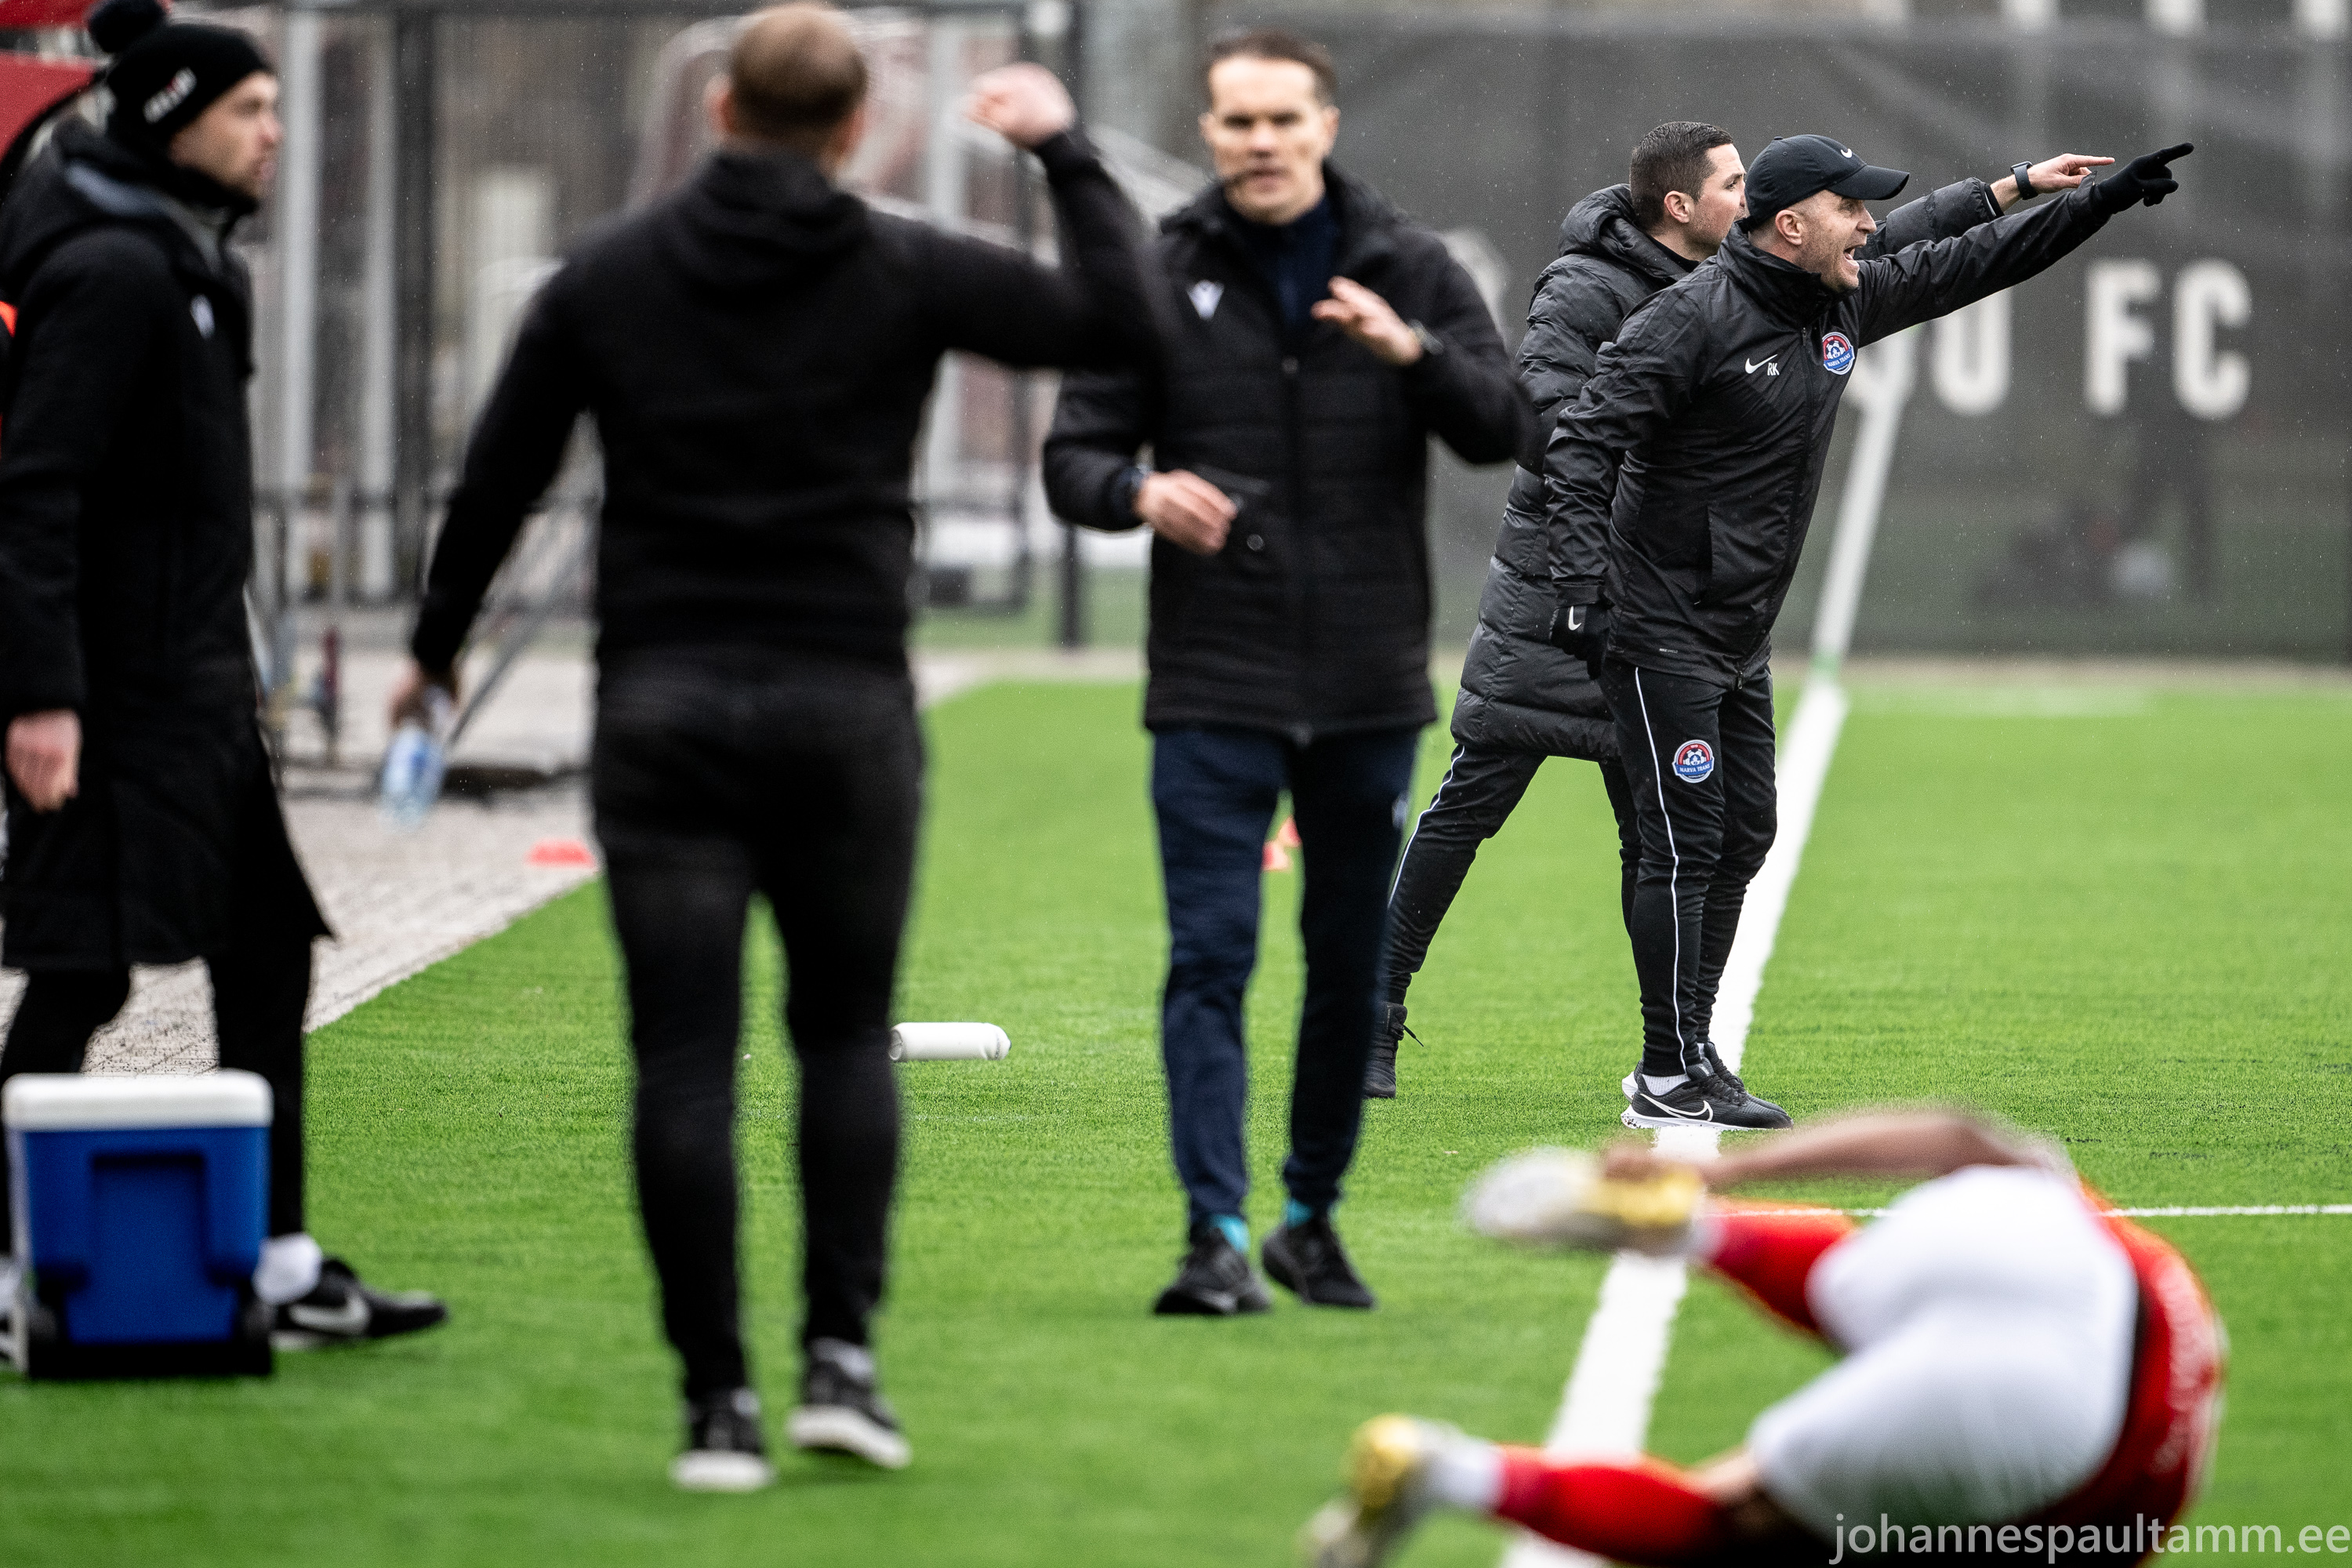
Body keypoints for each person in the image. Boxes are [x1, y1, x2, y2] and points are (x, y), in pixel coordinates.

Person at [386, 3, 1155, 1490]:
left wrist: (433, 651)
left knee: (684, 1059)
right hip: (842, 706)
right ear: (856, 128)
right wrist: (1062, 152)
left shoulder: (608, 273)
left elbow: (499, 477)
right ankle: (840, 1364)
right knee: (841, 1037)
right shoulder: (902, 263)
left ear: (720, 111)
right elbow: (1122, 327)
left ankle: (715, 1406)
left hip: (663, 704)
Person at [1367, 127, 2115, 1103]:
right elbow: (1552, 427)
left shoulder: (1753, 281)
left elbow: (1893, 249)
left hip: (1675, 591)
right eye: (1732, 183)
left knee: (1673, 838)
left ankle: (1679, 1047)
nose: (1748, 195)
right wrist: (1663, 459)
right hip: (1566, 589)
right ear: (1682, 206)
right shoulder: (1593, 290)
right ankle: (1374, 1010)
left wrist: (2007, 189)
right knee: (1475, 804)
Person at [1544, 137, 2192, 1134]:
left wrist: (2090, 204)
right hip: (1659, 623)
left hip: (1738, 632)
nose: (1869, 223)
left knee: (1744, 831)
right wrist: (1581, 590)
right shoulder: (1691, 317)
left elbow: (1973, 261)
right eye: (1850, 207)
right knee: (1684, 842)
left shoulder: (1836, 302)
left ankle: (1690, 1051)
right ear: (1790, 225)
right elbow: (1584, 435)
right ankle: (1666, 1070)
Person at [1041, 27, 1532, 1318]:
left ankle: (1309, 1221)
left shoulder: (1408, 265)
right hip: (1213, 680)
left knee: (1344, 969)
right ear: (1209, 133)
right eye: (1237, 122)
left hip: (1367, 682)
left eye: (1282, 120)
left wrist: (1410, 353)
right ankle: (1213, 1235)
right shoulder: (1160, 275)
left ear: (1325, 126)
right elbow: (1073, 456)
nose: (1260, 142)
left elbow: (1503, 423)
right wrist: (1139, 491)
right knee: (1209, 960)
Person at [0, 0, 445, 1348]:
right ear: (172, 120)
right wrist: (41, 696)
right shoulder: (110, 274)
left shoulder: (197, 266)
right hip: (109, 703)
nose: (274, 133)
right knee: (84, 976)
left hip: (198, 698)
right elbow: (35, 495)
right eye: (250, 109)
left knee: (264, 955)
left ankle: (278, 1263)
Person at [1301, 1110, 2224, 1566]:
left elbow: (1955, 1133)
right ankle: (1444, 1470)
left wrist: (1722, 1166)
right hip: (2056, 1419)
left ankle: (1695, 1223)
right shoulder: (2126, 1516)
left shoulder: (2172, 1291)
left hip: (2058, 1236)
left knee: (1862, 1285)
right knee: (1732, 1525)